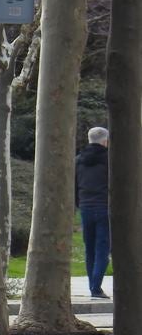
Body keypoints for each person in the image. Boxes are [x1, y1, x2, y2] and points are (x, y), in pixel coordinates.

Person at [75, 126, 110, 298]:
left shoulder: (79, 160)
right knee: (103, 248)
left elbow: (74, 185)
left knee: (89, 249)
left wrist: (79, 204)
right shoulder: (110, 160)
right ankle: (96, 287)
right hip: (104, 208)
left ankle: (92, 285)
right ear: (105, 141)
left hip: (85, 208)